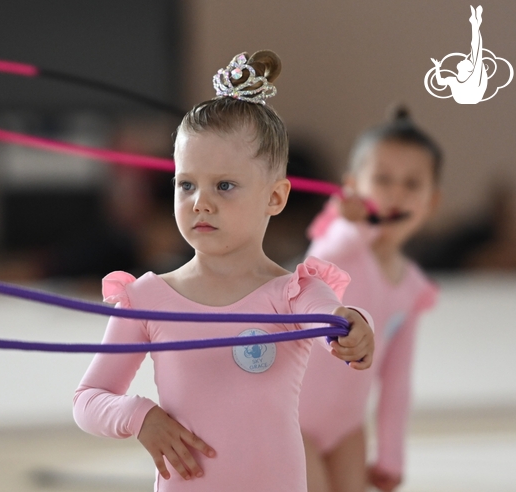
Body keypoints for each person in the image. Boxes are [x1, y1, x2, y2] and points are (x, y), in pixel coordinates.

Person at [72, 51, 375, 492]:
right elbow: (88, 400)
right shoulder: (146, 299)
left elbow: (333, 321)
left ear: (275, 197)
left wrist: (354, 327)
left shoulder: (293, 293)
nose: (201, 202)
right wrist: (140, 417)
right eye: (186, 184)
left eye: (225, 185)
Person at [299, 107, 442, 492]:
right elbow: (329, 245)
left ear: (431, 202)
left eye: (412, 184)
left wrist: (392, 455)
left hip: (346, 427)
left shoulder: (413, 288)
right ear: (351, 188)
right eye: (382, 179)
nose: (396, 193)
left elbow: (397, 380)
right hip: (290, 418)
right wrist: (351, 219)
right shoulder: (341, 244)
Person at [431, 5, 487, 104]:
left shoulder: (473, 78)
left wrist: (475, 26)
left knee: (476, 50)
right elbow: (440, 82)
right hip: (466, 97)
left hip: (472, 96)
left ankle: (475, 23)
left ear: (468, 69)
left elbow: (477, 49)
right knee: (476, 51)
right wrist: (437, 67)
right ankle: (475, 23)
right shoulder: (453, 80)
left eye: (466, 61)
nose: (464, 59)